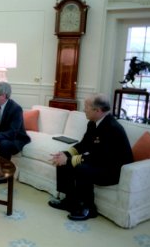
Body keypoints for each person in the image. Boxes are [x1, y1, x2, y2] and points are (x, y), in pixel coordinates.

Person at [48, 93, 133, 221]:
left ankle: (89, 209)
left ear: (97, 110)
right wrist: (66, 154)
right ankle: (69, 201)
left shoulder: (112, 128)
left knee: (81, 168)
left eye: (86, 106)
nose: (84, 109)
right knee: (63, 160)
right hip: (101, 162)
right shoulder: (93, 123)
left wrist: (71, 160)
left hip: (113, 170)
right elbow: (83, 144)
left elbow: (100, 157)